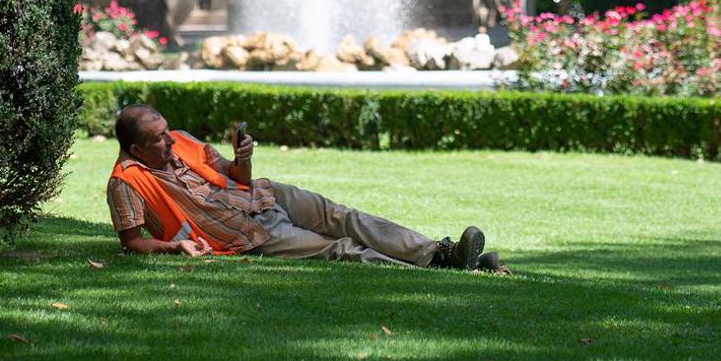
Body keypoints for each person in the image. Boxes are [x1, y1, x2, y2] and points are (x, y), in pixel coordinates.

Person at [106, 104, 507, 272]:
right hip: (244, 233)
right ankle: (442, 271)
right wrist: (174, 247)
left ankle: (440, 253)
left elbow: (235, 174)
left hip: (263, 195)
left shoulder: (182, 140)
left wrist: (242, 157)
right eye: (159, 139)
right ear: (137, 147)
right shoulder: (126, 182)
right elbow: (132, 242)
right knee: (341, 249)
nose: (171, 141)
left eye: (167, 132)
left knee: (345, 218)